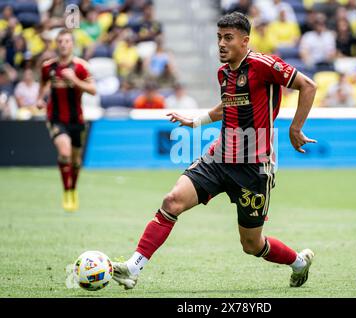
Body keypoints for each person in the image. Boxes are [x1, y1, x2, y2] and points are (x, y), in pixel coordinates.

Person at [112, 12, 317, 290]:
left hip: (253, 168)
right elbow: (227, 106)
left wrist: (296, 128)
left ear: (245, 41)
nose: (221, 43)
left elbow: (308, 85)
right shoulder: (223, 72)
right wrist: (195, 121)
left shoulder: (263, 64)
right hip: (218, 157)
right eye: (219, 37)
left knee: (251, 244)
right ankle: (133, 268)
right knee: (172, 201)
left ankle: (298, 263)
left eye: (228, 38)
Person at [37, 29, 96, 212]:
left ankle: (73, 189)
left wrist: (74, 81)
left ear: (72, 44)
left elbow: (93, 90)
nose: (63, 44)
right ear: (57, 44)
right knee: (65, 152)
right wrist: (40, 98)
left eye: (67, 41)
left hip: (76, 119)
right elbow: (44, 84)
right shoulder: (48, 67)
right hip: (55, 118)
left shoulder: (80, 67)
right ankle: (66, 191)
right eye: (60, 41)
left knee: (76, 161)